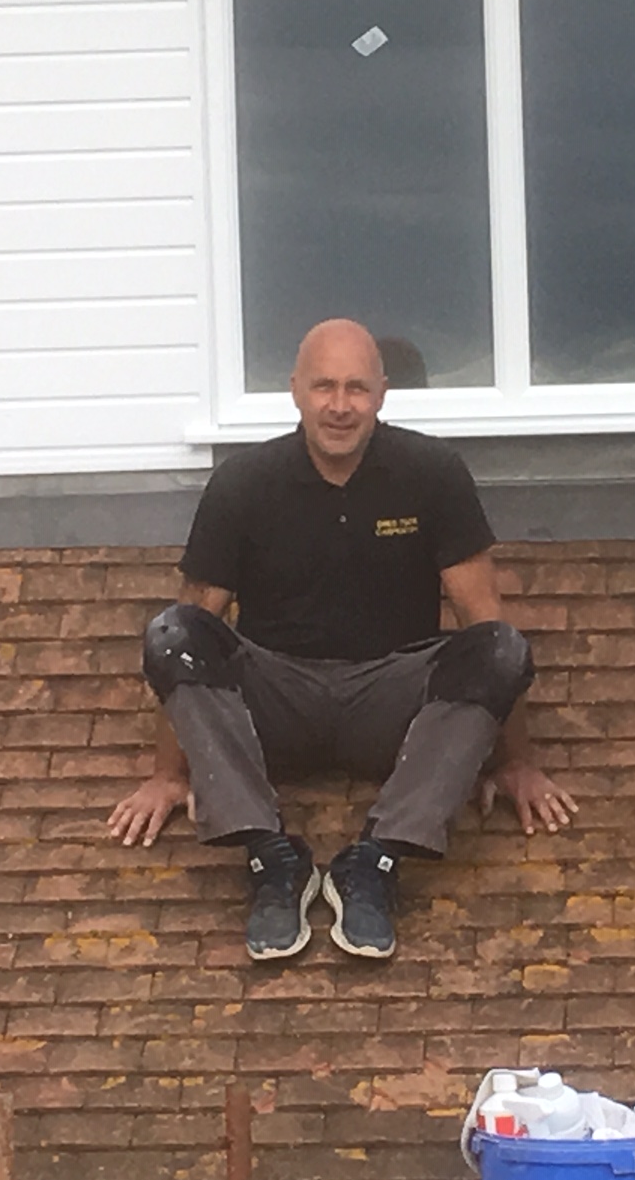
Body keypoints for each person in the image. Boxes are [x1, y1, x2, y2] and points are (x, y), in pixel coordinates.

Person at [108, 318, 578, 962]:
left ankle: (376, 860)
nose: (339, 405)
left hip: (392, 701)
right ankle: (271, 856)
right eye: (324, 386)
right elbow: (192, 629)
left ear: (382, 394)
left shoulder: (431, 474)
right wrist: (168, 775)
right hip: (275, 700)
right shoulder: (243, 484)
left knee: (499, 647)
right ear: (295, 390)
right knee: (172, 630)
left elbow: (485, 620)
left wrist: (515, 761)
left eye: (356, 388)